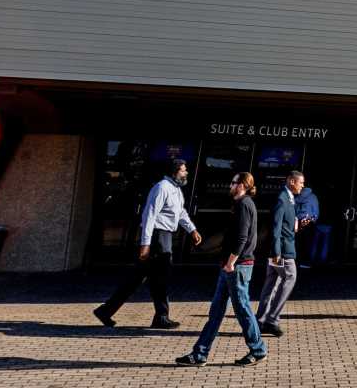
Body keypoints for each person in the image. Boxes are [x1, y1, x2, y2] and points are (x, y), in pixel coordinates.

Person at [94, 157, 201, 329]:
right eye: (183, 169)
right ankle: (161, 316)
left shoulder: (176, 190)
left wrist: (192, 230)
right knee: (161, 277)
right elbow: (149, 216)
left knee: (137, 279)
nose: (186, 172)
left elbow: (180, 213)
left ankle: (106, 311)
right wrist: (145, 244)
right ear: (174, 172)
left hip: (164, 236)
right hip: (157, 237)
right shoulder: (161, 188)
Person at [176, 172, 267, 366]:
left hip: (237, 266)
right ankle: (200, 354)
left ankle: (258, 349)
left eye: (234, 183)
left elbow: (242, 238)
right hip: (230, 266)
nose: (230, 186)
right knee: (216, 310)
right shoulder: (241, 204)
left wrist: (231, 262)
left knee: (242, 308)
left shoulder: (244, 204)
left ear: (243, 185)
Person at [253, 170, 304, 337]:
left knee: (272, 282)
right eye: (300, 183)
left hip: (279, 250)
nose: (302, 186)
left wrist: (295, 225)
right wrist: (276, 252)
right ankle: (271, 320)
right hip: (282, 251)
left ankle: (260, 320)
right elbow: (275, 228)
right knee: (290, 277)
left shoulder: (289, 199)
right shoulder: (282, 200)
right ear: (291, 181)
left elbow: (284, 225)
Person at [295, 184, 320, 268]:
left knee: (297, 242)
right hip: (308, 222)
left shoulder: (298, 195)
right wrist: (314, 220)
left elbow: (294, 208)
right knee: (307, 243)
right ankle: (305, 262)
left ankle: (296, 260)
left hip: (298, 221)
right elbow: (316, 211)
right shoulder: (313, 197)